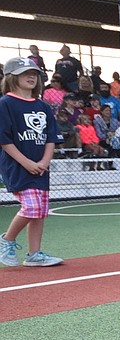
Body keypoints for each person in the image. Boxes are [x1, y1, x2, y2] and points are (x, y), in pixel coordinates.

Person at [0, 56, 64, 267]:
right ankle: (7, 239)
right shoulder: (5, 104)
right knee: (33, 206)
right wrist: (26, 162)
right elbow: (4, 140)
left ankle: (34, 254)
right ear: (11, 77)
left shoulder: (43, 107)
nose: (31, 77)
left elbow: (50, 138)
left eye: (34, 73)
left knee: (40, 211)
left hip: (40, 167)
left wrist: (45, 161)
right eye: (24, 73)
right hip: (18, 166)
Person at [93, 104, 120, 170]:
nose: (108, 112)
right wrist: (107, 136)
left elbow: (119, 131)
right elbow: (99, 134)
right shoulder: (97, 121)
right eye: (106, 110)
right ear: (102, 112)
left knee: (114, 142)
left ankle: (111, 165)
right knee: (114, 144)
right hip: (102, 140)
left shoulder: (115, 121)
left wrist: (113, 135)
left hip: (113, 139)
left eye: (109, 110)